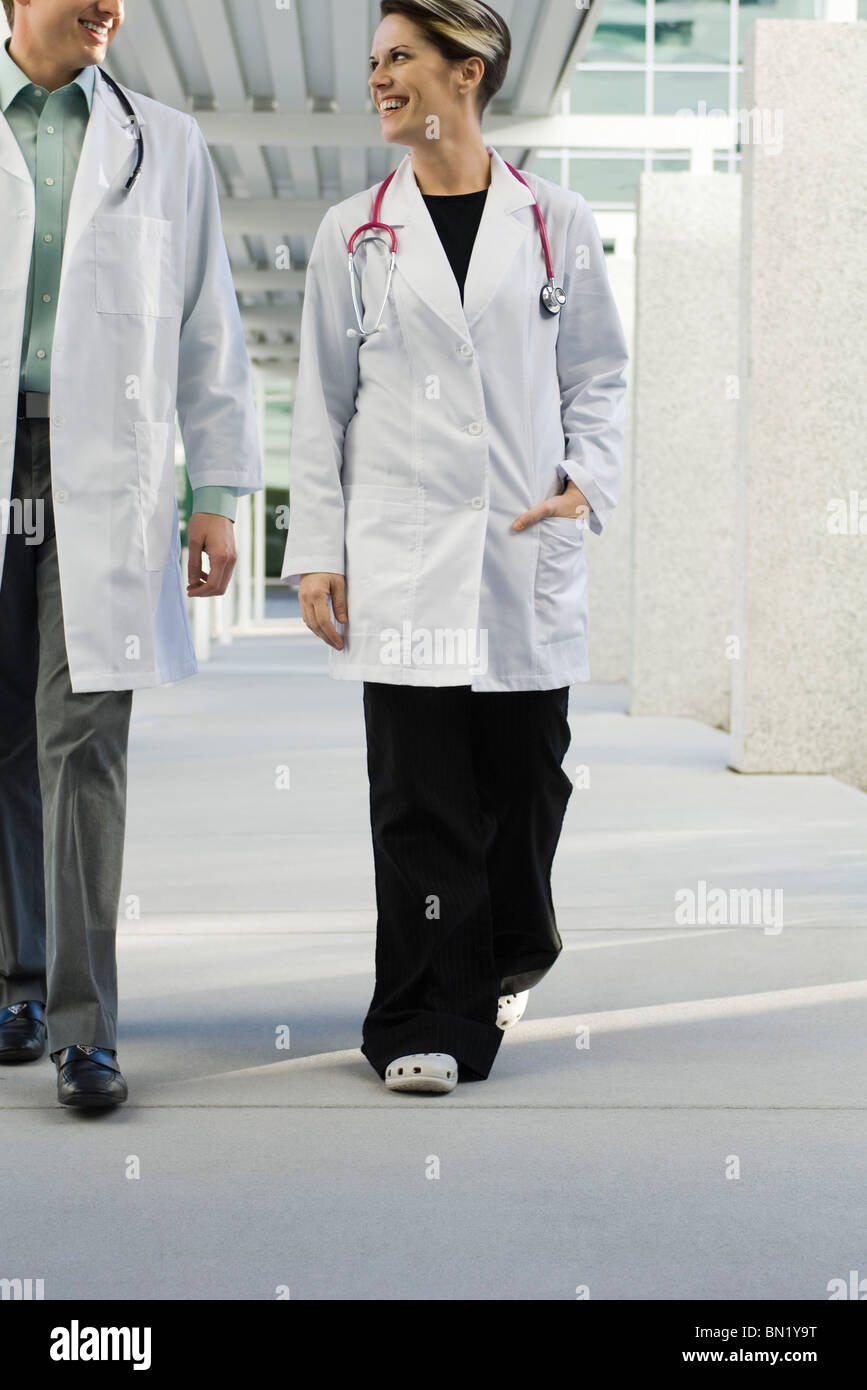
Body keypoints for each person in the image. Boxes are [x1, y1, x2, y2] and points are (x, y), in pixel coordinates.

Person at [282, 0, 628, 1095]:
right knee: (419, 794)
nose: (380, 80)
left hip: (524, 549)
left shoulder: (556, 221)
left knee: (527, 784)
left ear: (465, 72)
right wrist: (320, 550)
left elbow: (600, 374)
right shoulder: (354, 231)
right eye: (375, 62)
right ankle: (425, 1016)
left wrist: (585, 483)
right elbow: (318, 403)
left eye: (400, 60)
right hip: (404, 551)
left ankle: (506, 951)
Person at [0, 0, 262, 1108]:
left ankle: (84, 1024)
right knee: (9, 730)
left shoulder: (168, 140)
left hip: (103, 463)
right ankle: (17, 975)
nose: (111, 5)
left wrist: (222, 488)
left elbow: (208, 320)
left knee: (86, 732)